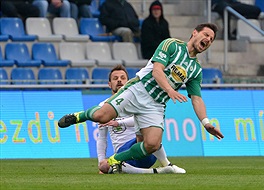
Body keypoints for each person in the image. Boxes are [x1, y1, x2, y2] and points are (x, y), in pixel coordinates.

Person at [58, 23, 224, 174]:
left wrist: (206, 123)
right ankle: (78, 116)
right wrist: (169, 90)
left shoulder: (196, 70)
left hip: (156, 105)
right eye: (206, 35)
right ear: (194, 33)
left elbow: (196, 99)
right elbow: (157, 71)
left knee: (152, 144)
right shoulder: (171, 45)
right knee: (101, 116)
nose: (208, 40)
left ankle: (116, 160)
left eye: (211, 39)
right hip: (138, 89)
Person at [97, 64, 185, 174]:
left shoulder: (136, 100)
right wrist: (101, 161)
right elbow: (102, 138)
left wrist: (118, 123)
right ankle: (156, 171)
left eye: (123, 78)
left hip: (146, 149)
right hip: (123, 152)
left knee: (151, 134)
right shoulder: (103, 107)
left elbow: (146, 120)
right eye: (115, 78)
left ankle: (166, 163)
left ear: (128, 82)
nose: (119, 80)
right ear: (109, 84)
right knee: (104, 168)